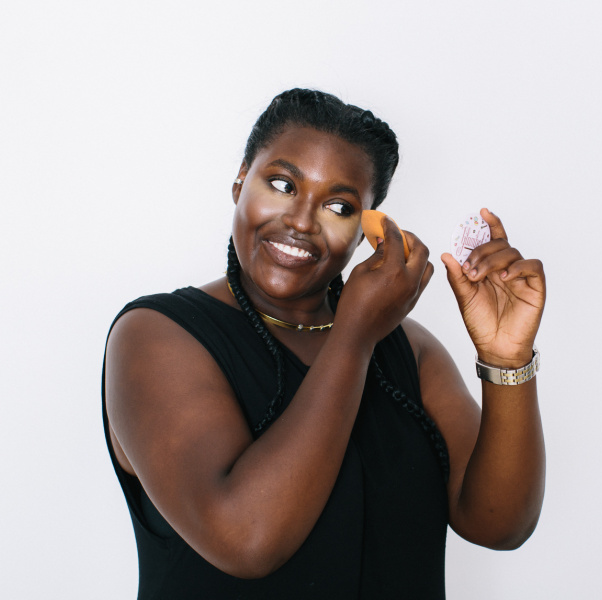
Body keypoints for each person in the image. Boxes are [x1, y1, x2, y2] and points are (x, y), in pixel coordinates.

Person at [102, 88, 546, 599]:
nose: (301, 221)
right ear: (241, 180)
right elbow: (248, 540)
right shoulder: (156, 336)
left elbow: (499, 525)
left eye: (339, 206)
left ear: (368, 229)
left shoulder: (411, 351)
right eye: (282, 184)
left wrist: (507, 358)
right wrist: (353, 336)